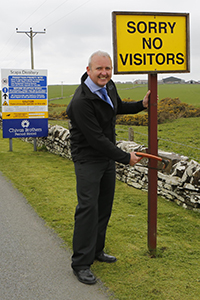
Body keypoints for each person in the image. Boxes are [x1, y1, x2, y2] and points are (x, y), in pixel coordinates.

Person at [66, 50, 150, 285]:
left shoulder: (109, 86)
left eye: (108, 68)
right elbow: (96, 140)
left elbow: (118, 106)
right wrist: (125, 157)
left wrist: (141, 105)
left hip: (105, 159)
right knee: (87, 210)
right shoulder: (81, 101)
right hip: (87, 159)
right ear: (88, 70)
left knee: (103, 207)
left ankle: (96, 251)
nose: (104, 73)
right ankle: (81, 263)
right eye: (99, 69)